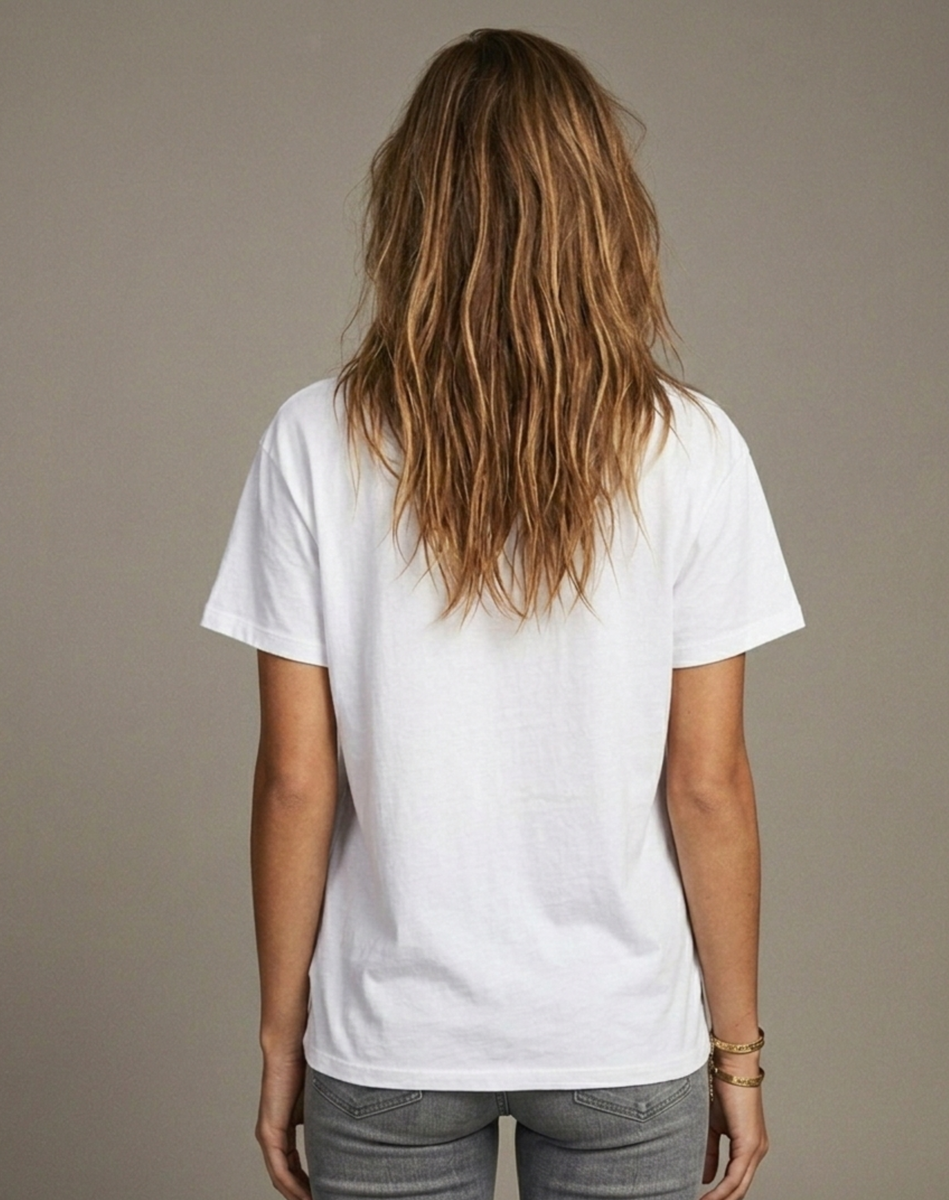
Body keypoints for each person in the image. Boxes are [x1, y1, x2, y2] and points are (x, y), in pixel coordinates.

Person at [202, 28, 803, 1200]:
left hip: (390, 1040)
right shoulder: (692, 448)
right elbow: (708, 785)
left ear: (410, 208)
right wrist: (736, 1052)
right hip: (620, 1035)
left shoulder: (314, 440)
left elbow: (296, 781)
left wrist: (283, 1041)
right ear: (603, 210)